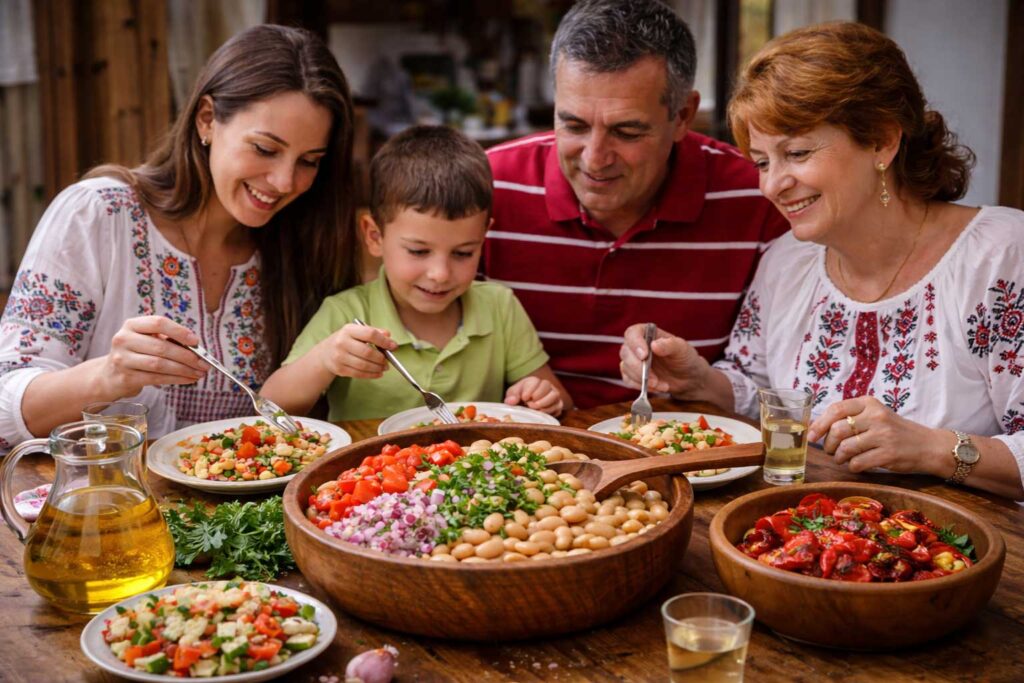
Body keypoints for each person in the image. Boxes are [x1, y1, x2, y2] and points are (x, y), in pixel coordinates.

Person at [620, 22, 1024, 500]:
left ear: (881, 141)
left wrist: (934, 449)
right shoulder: (788, 261)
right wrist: (702, 379)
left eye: (797, 152)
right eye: (763, 162)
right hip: (806, 543)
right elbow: (763, 396)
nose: (772, 186)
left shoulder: (1002, 255)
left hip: (972, 559)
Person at [0, 25, 360, 446]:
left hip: (245, 511)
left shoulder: (303, 242)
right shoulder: (99, 215)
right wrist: (108, 376)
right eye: (264, 149)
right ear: (207, 120)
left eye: (309, 161)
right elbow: (4, 406)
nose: (284, 181)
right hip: (103, 505)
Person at [481, 0, 788, 408]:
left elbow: (779, 380)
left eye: (626, 131)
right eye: (573, 125)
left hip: (690, 454)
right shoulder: (489, 186)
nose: (594, 157)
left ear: (682, 116)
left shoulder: (758, 197)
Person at [261, 125, 571, 420]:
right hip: (371, 473)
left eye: (463, 253)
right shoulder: (348, 313)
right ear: (374, 236)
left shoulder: (500, 307)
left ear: (483, 238)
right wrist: (324, 360)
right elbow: (272, 407)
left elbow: (559, 401)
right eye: (418, 251)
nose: (439, 273)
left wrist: (541, 397)